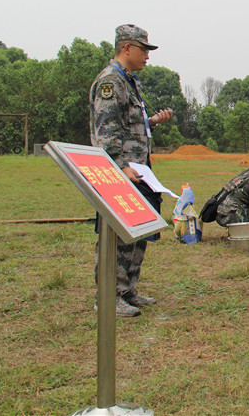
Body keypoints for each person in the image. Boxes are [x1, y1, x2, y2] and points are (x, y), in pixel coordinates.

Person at [90, 24, 173, 317]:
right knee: (117, 235)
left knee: (138, 231)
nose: (147, 56)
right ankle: (108, 296)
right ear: (127, 48)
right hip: (121, 173)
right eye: (144, 50)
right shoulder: (110, 82)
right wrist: (121, 166)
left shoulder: (130, 81)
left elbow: (127, 124)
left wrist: (151, 121)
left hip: (138, 170)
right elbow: (106, 130)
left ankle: (128, 290)